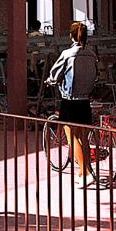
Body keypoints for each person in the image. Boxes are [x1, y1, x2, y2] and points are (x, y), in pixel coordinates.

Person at [44, 20, 99, 174]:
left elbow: (55, 74)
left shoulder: (67, 54)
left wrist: (51, 80)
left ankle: (84, 173)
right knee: (83, 137)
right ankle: (85, 170)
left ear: (71, 36)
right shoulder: (92, 54)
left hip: (70, 100)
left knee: (72, 137)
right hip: (85, 100)